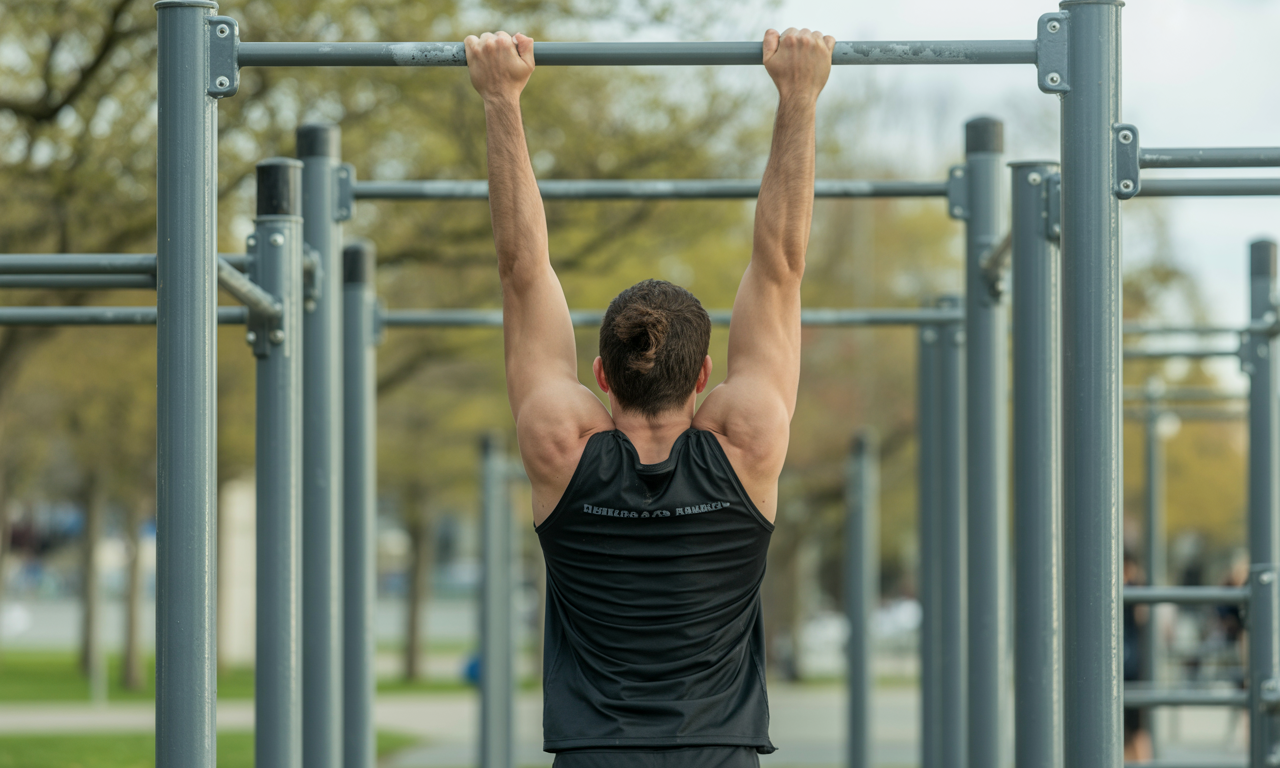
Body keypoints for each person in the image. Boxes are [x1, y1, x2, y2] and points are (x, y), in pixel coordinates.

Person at [465, 26, 835, 768]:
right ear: (704, 377)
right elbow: (780, 266)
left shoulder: (560, 446)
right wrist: (799, 96)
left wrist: (501, 100)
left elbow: (521, 271)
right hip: (718, 753)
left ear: (600, 376)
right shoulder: (747, 440)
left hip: (596, 753)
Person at [1123, 550, 1153, 762]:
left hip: (1131, 665)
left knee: (1135, 727)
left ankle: (1142, 761)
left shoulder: (1134, 589)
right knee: (1130, 727)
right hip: (1130, 663)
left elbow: (1142, 617)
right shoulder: (1131, 589)